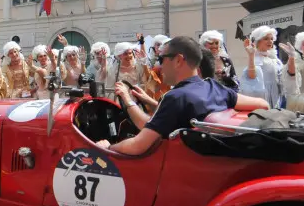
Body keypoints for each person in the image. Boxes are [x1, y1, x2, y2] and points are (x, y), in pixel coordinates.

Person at [96, 36, 269, 156]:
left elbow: (138, 145)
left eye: (162, 58)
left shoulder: (176, 97)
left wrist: (109, 146)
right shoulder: (213, 86)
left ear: (178, 60)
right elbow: (262, 105)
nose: (159, 64)